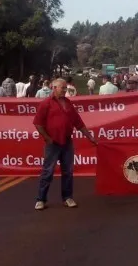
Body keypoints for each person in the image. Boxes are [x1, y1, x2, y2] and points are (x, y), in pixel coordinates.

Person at [32, 79, 97, 210]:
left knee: (68, 171)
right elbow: (38, 123)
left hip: (67, 142)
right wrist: (47, 138)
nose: (65, 90)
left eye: (65, 88)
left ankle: (67, 197)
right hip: (53, 144)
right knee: (48, 172)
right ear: (54, 88)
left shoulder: (68, 103)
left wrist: (90, 137)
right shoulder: (46, 103)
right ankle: (41, 199)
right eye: (62, 88)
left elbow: (78, 123)